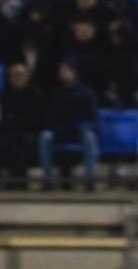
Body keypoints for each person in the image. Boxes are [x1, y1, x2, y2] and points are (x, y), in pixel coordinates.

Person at [39, 59, 99, 189]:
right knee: (45, 136)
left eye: (67, 70)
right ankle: (47, 179)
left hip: (78, 132)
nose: (64, 74)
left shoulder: (85, 93)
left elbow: (91, 117)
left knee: (89, 137)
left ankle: (90, 179)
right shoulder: (54, 92)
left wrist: (80, 127)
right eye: (62, 71)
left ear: (74, 72)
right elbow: (48, 115)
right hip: (58, 131)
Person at [0, 60, 45, 187]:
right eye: (14, 75)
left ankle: (19, 179)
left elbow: (36, 118)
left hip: (29, 131)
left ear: (26, 76)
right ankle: (11, 178)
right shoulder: (4, 95)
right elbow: (2, 118)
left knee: (25, 141)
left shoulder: (35, 93)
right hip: (10, 131)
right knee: (3, 140)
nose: (17, 77)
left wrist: (15, 121)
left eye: (20, 75)